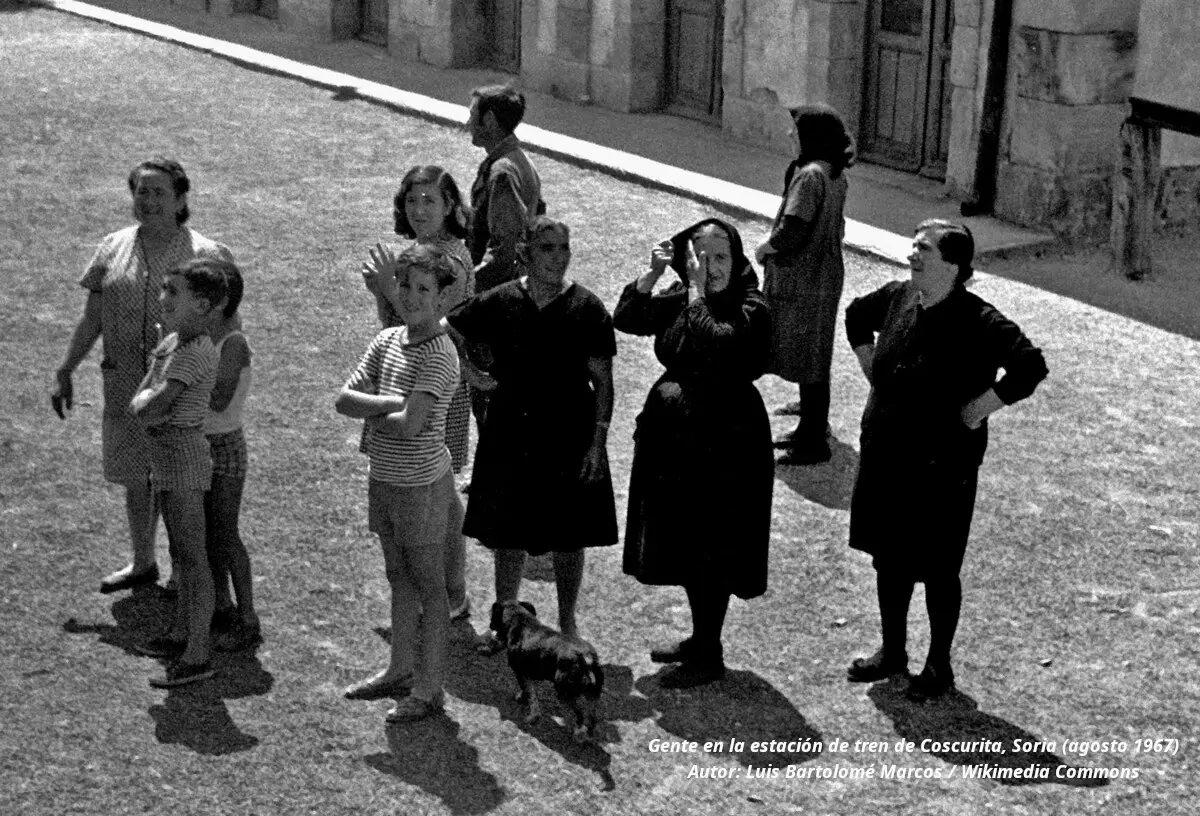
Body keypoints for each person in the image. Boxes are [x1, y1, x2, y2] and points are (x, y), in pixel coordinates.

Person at [843, 219, 1048, 701]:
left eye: (925, 250)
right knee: (888, 559)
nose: (913, 255)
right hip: (886, 455)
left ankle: (938, 666)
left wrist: (979, 409)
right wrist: (869, 363)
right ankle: (892, 652)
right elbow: (854, 315)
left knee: (937, 567)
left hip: (941, 466)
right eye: (912, 246)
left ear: (953, 265)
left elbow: (1029, 366)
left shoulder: (979, 319)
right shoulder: (898, 297)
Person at [51, 157, 234, 594]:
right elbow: (92, 318)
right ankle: (142, 562)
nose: (148, 200)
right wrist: (66, 368)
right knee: (137, 477)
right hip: (125, 384)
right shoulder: (113, 247)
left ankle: (183, 570)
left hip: (181, 389)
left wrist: (220, 385)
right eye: (141, 191)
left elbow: (229, 328)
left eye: (159, 193)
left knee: (180, 482)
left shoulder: (207, 255)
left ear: (180, 199)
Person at [615, 218, 774, 686]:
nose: (710, 268)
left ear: (738, 258)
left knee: (715, 543)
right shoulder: (687, 295)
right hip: (677, 438)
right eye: (699, 259)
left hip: (727, 440)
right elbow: (627, 317)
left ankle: (710, 652)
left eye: (721, 257)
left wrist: (694, 295)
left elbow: (720, 341)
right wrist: (652, 274)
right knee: (682, 536)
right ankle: (701, 637)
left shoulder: (752, 305)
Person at [444, 217, 617, 647]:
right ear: (525, 252)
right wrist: (471, 374)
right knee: (508, 531)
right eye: (547, 248)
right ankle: (505, 618)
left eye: (564, 248)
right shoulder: (501, 300)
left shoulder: (587, 308)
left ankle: (568, 624)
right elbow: (448, 329)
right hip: (510, 432)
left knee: (569, 536)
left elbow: (604, 382)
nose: (557, 257)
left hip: (568, 434)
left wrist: (598, 440)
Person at [337, 244, 462, 722]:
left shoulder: (441, 352)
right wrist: (393, 403)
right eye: (405, 286)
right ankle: (399, 670)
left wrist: (378, 408)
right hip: (385, 480)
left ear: (443, 299)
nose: (411, 297)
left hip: (421, 489)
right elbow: (344, 400)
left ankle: (429, 690)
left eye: (423, 289)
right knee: (398, 579)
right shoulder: (388, 339)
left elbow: (414, 426)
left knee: (430, 588)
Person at [361, 165, 474, 620]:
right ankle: (447, 592)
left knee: (439, 496)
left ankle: (451, 592)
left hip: (437, 382)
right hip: (407, 376)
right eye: (412, 200)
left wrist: (387, 286)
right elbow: (392, 328)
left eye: (430, 200)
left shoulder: (453, 261)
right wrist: (381, 291)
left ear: (450, 206)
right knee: (441, 494)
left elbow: (424, 328)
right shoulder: (415, 253)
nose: (420, 209)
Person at [130, 258, 229, 688]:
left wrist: (147, 401)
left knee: (193, 556)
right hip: (167, 460)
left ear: (204, 305)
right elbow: (141, 400)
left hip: (185, 458)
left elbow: (153, 407)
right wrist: (146, 401)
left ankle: (198, 653)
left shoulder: (194, 353)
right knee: (180, 554)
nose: (163, 298)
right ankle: (181, 634)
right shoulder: (172, 342)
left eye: (174, 292)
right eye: (164, 289)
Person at [755, 104, 855, 465]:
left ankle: (812, 441)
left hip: (802, 277)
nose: (789, 137)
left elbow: (794, 228)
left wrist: (766, 248)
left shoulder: (809, 177)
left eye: (794, 133)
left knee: (806, 356)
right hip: (826, 273)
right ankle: (811, 425)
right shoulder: (834, 175)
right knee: (816, 351)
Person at [203, 260, 262, 651]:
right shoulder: (204, 337)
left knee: (225, 534)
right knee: (207, 535)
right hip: (200, 444)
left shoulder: (233, 343)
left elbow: (219, 399)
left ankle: (248, 617)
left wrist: (177, 379)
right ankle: (220, 607)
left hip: (223, 447)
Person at [465, 84, 543, 293]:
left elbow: (505, 251)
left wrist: (465, 287)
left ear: (489, 120)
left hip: (498, 294)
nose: (467, 124)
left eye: (472, 116)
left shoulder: (502, 172)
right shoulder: (517, 160)